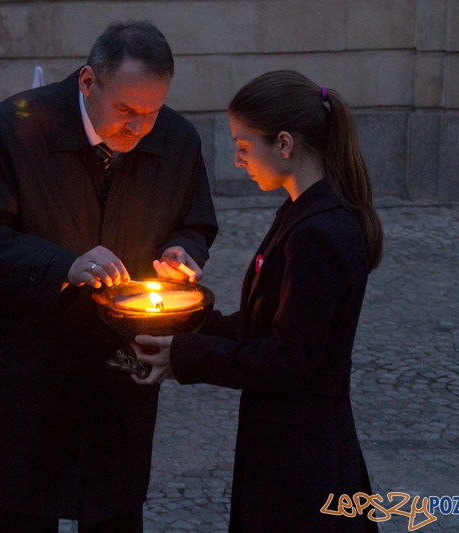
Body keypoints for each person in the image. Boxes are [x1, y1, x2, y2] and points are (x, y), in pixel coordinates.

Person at [0, 21, 218, 532]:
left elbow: (196, 220)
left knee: (113, 506)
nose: (140, 129)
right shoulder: (16, 128)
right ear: (88, 82)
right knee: (25, 506)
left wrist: (183, 249)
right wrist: (62, 266)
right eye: (126, 111)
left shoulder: (177, 140)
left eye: (152, 112)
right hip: (29, 365)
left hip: (118, 365)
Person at [132, 70, 383, 532]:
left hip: (304, 455)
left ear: (284, 144)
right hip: (285, 436)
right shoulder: (300, 211)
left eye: (245, 147)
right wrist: (184, 320)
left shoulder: (318, 234)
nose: (238, 160)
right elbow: (264, 324)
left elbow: (289, 358)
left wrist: (185, 355)